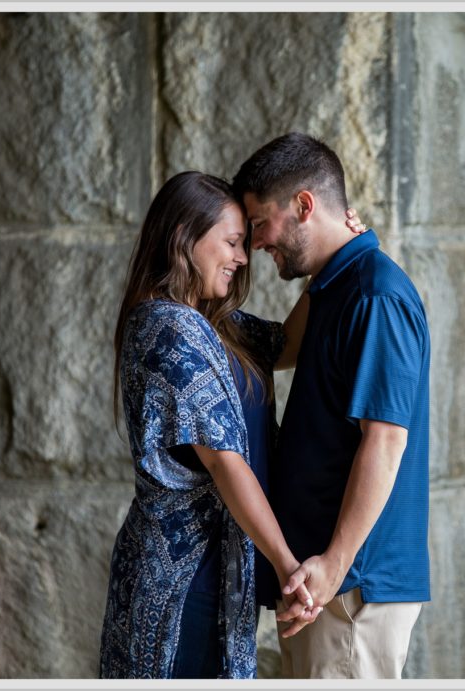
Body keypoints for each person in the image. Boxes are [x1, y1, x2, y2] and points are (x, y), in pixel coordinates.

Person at [98, 171, 363, 678]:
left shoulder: (214, 322)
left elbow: (287, 344)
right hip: (182, 585)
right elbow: (225, 463)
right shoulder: (167, 328)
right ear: (184, 239)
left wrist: (333, 258)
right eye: (233, 242)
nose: (243, 257)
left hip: (220, 572)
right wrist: (289, 568)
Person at [232, 133, 431, 679]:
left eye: (258, 226)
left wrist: (332, 566)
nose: (252, 245)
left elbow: (386, 440)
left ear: (303, 205)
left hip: (349, 589)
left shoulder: (375, 296)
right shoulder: (338, 283)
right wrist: (193, 309)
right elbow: (277, 349)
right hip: (323, 584)